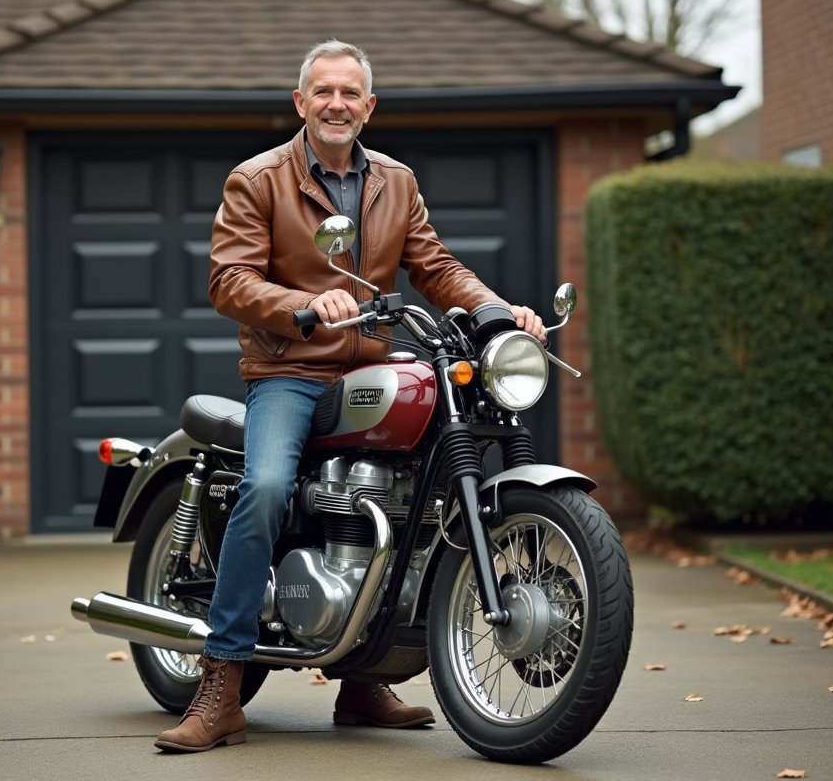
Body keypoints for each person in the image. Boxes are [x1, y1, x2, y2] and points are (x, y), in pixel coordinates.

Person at [153, 40, 548, 753]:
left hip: (371, 367)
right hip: (290, 373)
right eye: (323, 91)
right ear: (300, 103)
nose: (337, 103)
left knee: (418, 495)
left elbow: (435, 263)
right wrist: (305, 306)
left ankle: (362, 676)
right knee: (268, 485)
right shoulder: (259, 178)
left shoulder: (396, 180)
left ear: (369, 107)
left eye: (350, 93)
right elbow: (229, 280)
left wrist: (495, 311)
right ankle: (223, 679)